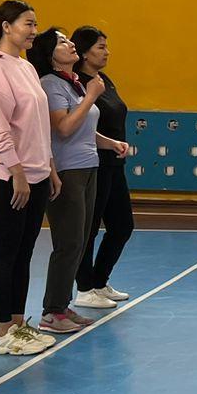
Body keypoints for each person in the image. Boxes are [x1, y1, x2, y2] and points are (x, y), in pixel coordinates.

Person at [0, 0, 59, 356]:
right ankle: (1, 331)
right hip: (9, 178)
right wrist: (17, 173)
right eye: (28, 23)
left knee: (24, 253)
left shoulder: (25, 67)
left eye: (35, 24)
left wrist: (49, 167)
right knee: (5, 253)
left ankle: (18, 324)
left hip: (36, 174)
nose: (34, 31)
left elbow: (38, 124)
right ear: (6, 27)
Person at [29, 28, 116, 334]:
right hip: (67, 171)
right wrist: (91, 96)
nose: (70, 44)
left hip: (89, 166)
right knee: (68, 242)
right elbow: (64, 128)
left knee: (80, 239)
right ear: (50, 55)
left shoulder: (74, 83)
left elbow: (83, 126)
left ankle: (62, 304)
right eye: (62, 42)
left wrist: (110, 143)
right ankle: (52, 312)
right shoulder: (51, 84)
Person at [72, 27, 136, 310]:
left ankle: (99, 281)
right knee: (89, 229)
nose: (106, 52)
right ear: (84, 53)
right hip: (92, 164)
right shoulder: (78, 83)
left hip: (114, 164)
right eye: (100, 47)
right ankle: (84, 288)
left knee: (122, 225)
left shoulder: (103, 80)